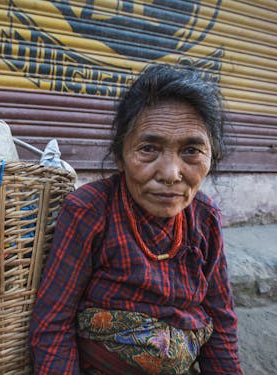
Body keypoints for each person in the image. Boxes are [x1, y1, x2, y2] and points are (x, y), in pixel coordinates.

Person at [29, 64, 242, 375]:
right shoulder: (89, 211)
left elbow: (221, 321)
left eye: (192, 150)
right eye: (148, 149)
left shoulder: (205, 219)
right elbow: (53, 323)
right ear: (120, 155)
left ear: (212, 156)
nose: (170, 174)